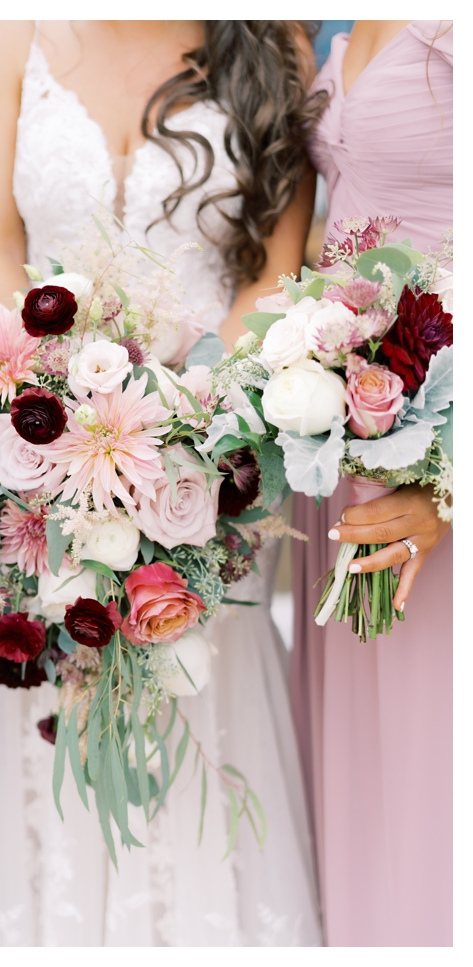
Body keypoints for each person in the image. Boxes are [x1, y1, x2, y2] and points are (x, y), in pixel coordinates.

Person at [0, 20, 322, 945]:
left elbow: (274, 271)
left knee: (199, 700)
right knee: (54, 705)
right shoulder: (10, 34)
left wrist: (188, 431)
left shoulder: (274, 40)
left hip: (214, 468)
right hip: (47, 466)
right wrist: (56, 431)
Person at [291, 19, 453, 946]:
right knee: (367, 787)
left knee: (436, 791)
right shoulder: (336, 23)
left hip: (440, 470)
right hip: (350, 436)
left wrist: (449, 484)